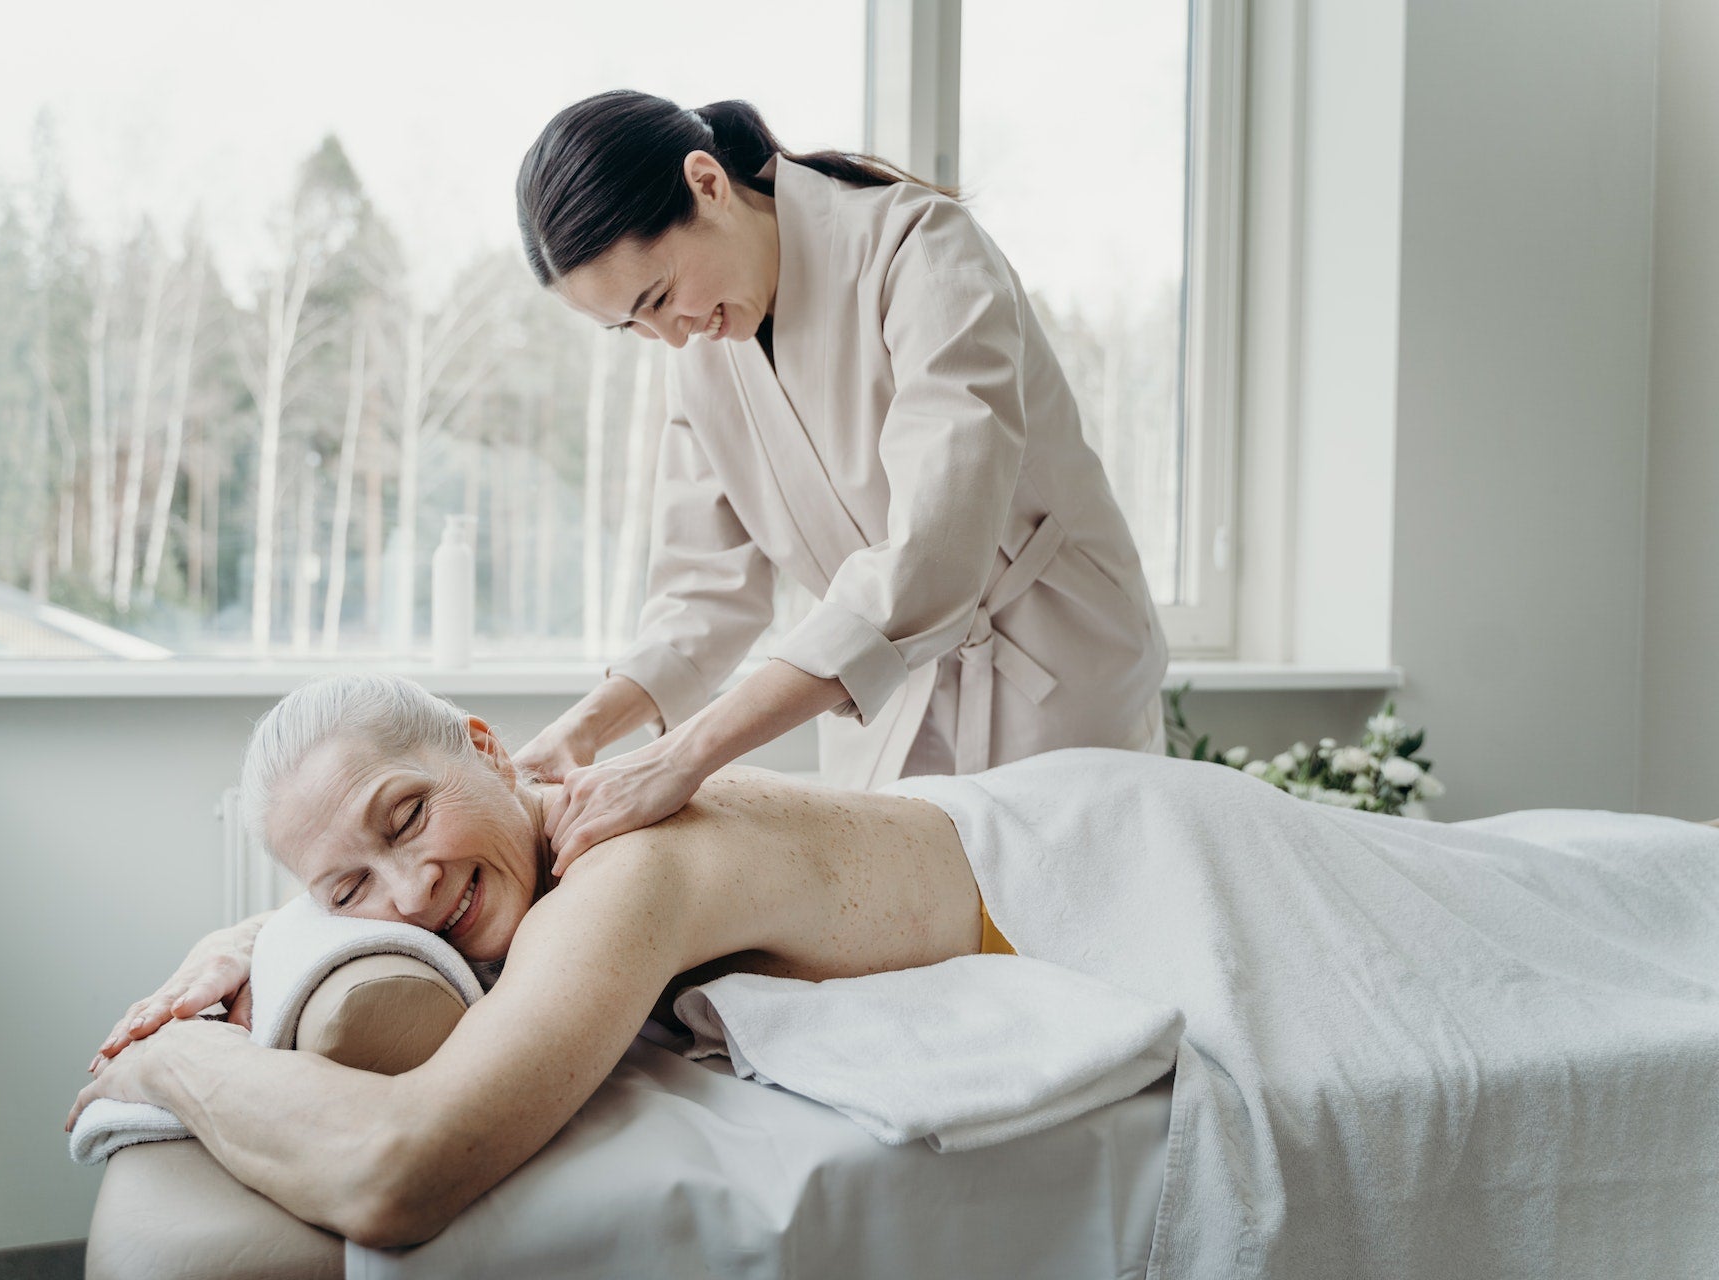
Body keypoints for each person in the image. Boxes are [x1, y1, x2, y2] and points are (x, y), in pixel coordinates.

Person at [74, 674, 1006, 1269]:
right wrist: (236, 943)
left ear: (485, 749)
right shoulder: (521, 854)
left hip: (1060, 866)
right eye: (349, 887)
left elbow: (393, 1176)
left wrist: (168, 1062)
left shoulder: (627, 869)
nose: (411, 893)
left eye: (405, 818)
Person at [510, 91, 1169, 870]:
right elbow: (703, 593)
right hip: (885, 713)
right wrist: (584, 729)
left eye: (657, 298)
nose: (670, 338)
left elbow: (933, 552)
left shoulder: (921, 250)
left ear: (708, 183)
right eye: (631, 328)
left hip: (1058, 683)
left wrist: (685, 757)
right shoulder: (703, 362)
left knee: (1076, 938)